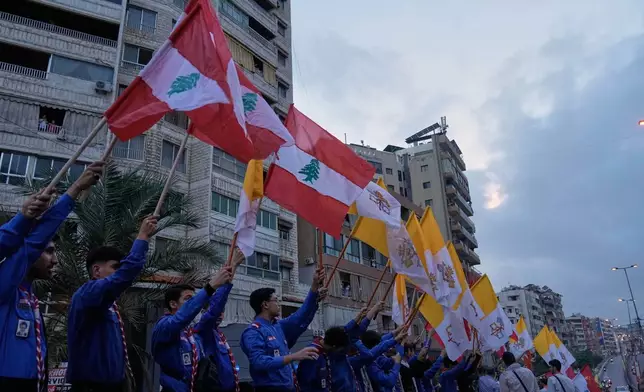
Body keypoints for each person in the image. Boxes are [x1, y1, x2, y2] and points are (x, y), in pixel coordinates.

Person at [0, 162, 103, 392]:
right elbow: (32, 242)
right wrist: (74, 189)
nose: (55, 260)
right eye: (48, 251)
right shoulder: (5, 285)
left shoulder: (28, 294)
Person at [67, 215, 158, 392]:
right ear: (96, 270)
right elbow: (126, 274)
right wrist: (142, 237)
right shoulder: (87, 295)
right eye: (115, 267)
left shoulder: (110, 306)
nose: (119, 273)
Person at [241, 267, 327, 392]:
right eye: (276, 300)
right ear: (265, 305)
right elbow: (258, 362)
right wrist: (293, 357)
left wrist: (314, 286)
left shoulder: (278, 326)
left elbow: (301, 316)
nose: (279, 304)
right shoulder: (253, 332)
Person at [152, 264, 234, 392]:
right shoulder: (164, 326)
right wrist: (211, 286)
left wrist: (227, 280)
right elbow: (181, 318)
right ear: (173, 304)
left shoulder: (193, 333)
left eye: (194, 299)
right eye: (188, 299)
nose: (195, 304)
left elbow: (215, 309)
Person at [192, 249, 246, 392]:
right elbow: (215, 308)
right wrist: (233, 266)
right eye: (218, 311)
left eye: (223, 311)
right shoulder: (204, 329)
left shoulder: (218, 334)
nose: (221, 314)